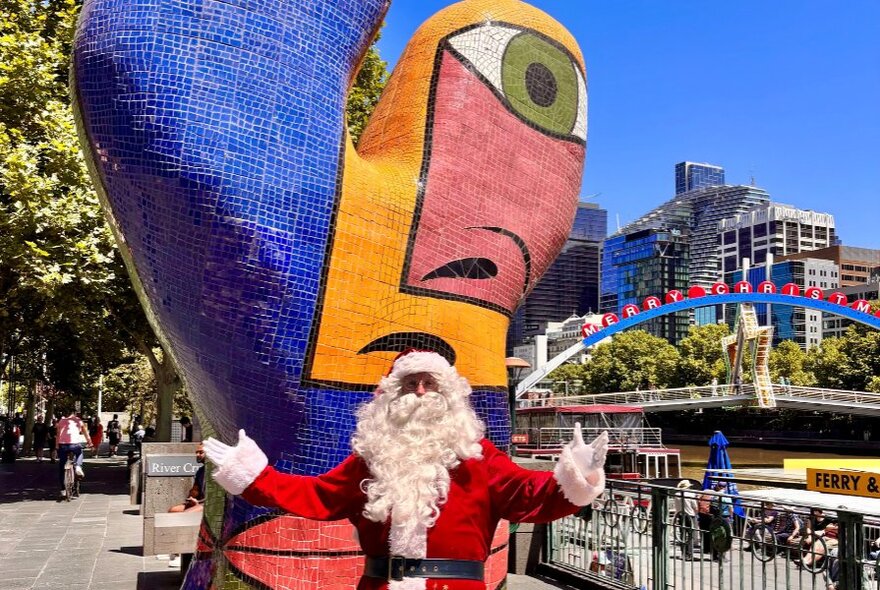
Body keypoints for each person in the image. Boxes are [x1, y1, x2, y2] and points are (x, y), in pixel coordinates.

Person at [204, 350, 609, 588]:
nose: (419, 391)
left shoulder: (478, 457)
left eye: (429, 382)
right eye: (410, 382)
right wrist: (253, 475)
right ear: (390, 394)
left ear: (449, 393)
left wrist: (576, 474)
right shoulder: (371, 459)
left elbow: (529, 494)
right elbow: (316, 496)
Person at [167, 443, 206, 568]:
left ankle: (182, 553)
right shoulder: (201, 471)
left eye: (201, 452)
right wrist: (192, 498)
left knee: (185, 516)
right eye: (197, 452)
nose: (197, 455)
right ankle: (174, 551)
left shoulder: (216, 471)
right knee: (173, 510)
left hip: (207, 503)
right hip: (199, 501)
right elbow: (195, 489)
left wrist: (198, 502)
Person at [55, 411, 92, 498]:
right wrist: (90, 443)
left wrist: (57, 446)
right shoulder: (78, 420)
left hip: (63, 445)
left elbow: (57, 434)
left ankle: (63, 489)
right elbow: (85, 432)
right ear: (74, 414)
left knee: (62, 467)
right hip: (75, 444)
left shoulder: (61, 421)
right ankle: (78, 466)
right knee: (79, 453)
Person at [673, 480, 698, 560]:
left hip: (680, 515)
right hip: (690, 515)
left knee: (682, 534)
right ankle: (689, 554)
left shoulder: (676, 495)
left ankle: (683, 553)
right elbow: (695, 507)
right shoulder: (691, 495)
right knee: (691, 535)